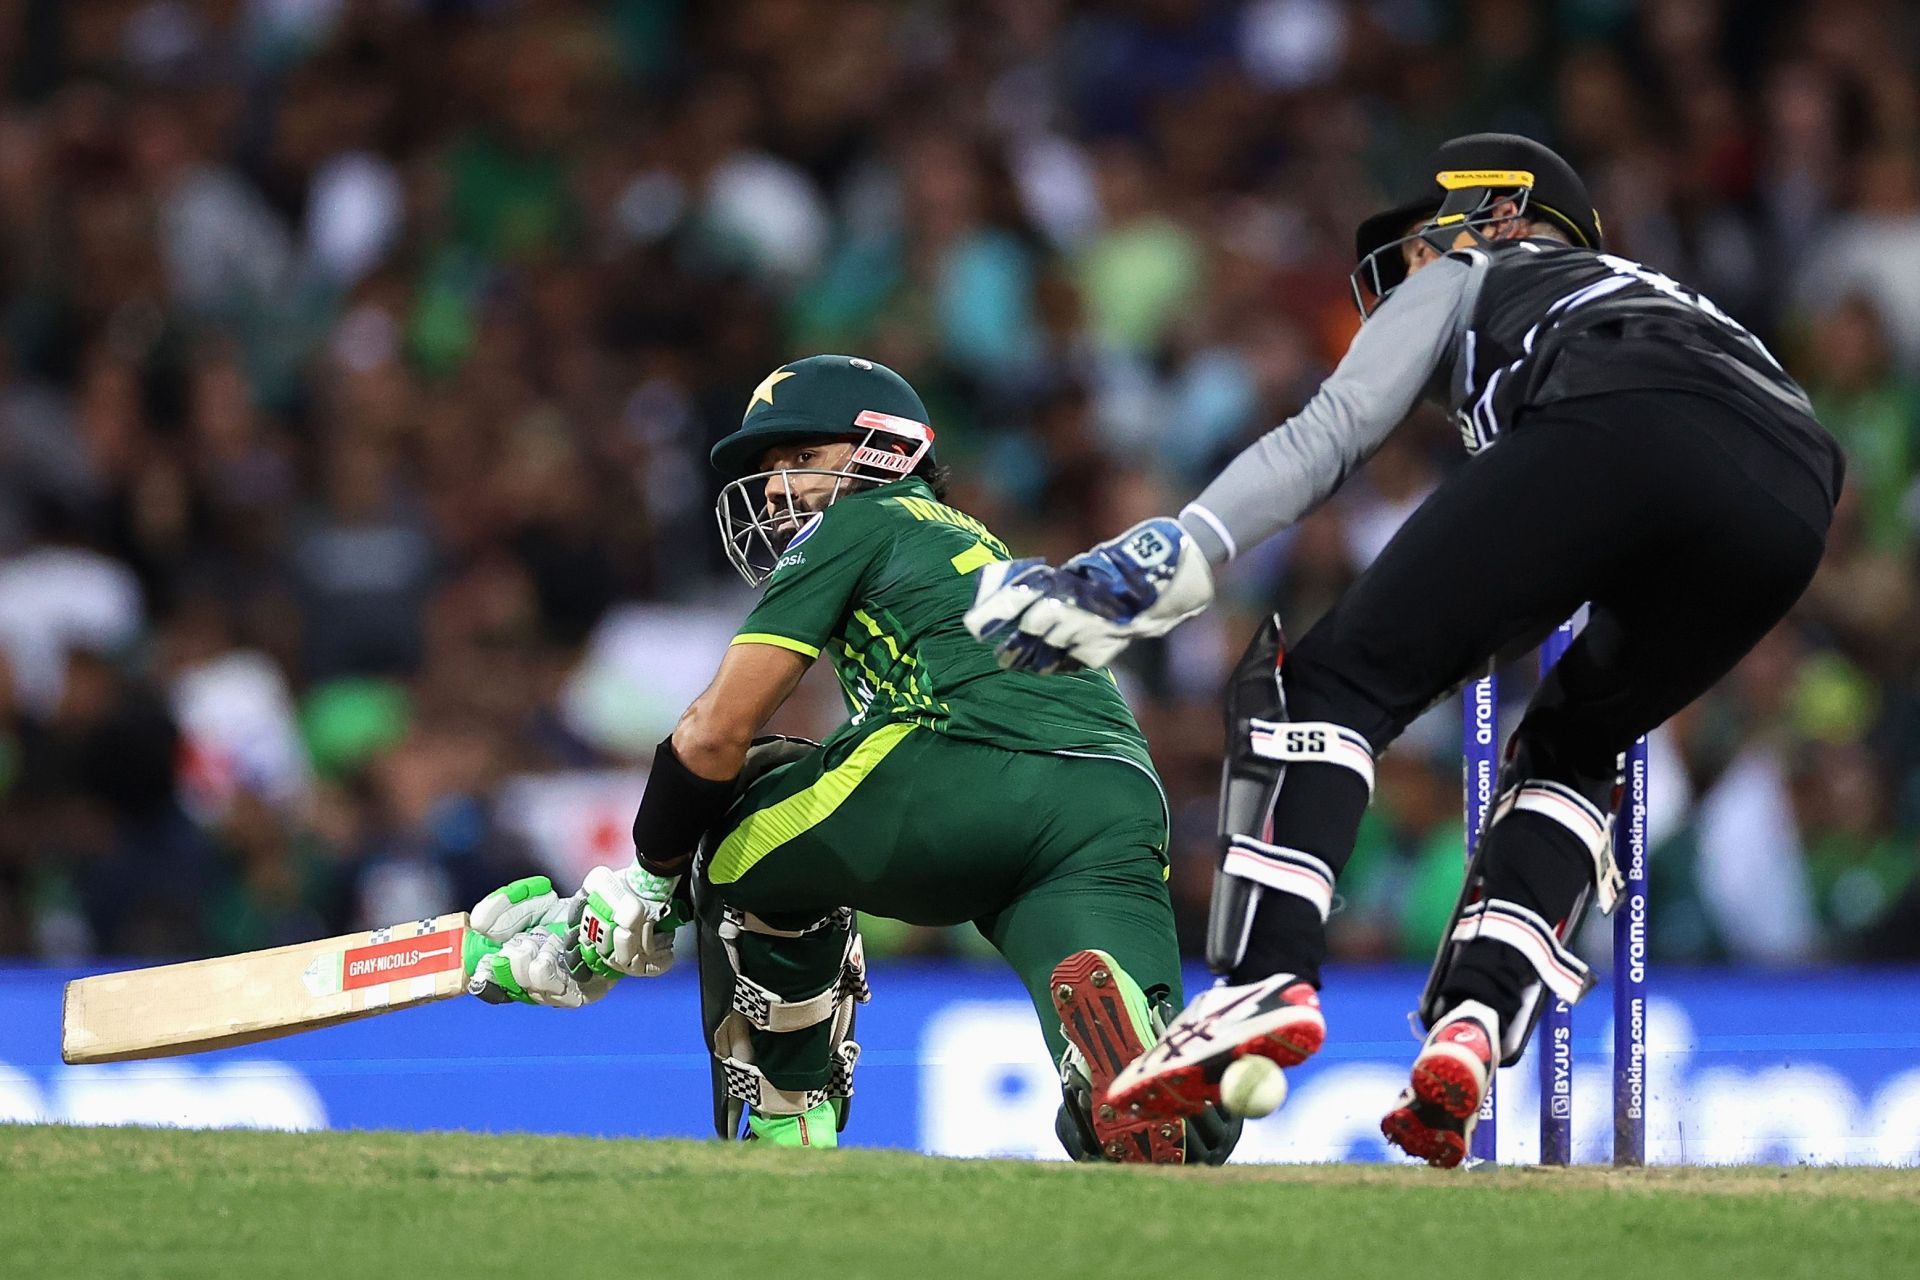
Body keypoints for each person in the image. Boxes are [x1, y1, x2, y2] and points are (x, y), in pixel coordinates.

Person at [967, 133, 1842, 1167]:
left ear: (1498, 214)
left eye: (1415, 251)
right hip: (1795, 490)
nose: (1401, 285)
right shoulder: (1670, 301)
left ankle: (1260, 980)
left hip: (1618, 420)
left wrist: (1165, 558)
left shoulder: (1482, 266)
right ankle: (1475, 1021)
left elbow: (1330, 432)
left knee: (1327, 683)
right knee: (1572, 744)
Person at [464, 354, 1239, 1164]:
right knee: (1161, 1116)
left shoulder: (861, 521)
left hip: (965, 760)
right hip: (1116, 796)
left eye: (799, 459)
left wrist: (644, 890)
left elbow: (712, 733)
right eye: (768, 471)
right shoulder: (985, 544)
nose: (773, 489)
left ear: (881, 452)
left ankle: (784, 1119)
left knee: (736, 824)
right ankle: (1128, 1083)